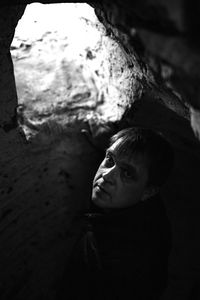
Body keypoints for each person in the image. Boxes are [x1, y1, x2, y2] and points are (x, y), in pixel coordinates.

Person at [57, 127, 174, 300]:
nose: (106, 176)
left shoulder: (125, 264)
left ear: (149, 191)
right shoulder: (139, 201)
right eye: (110, 160)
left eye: (127, 173)